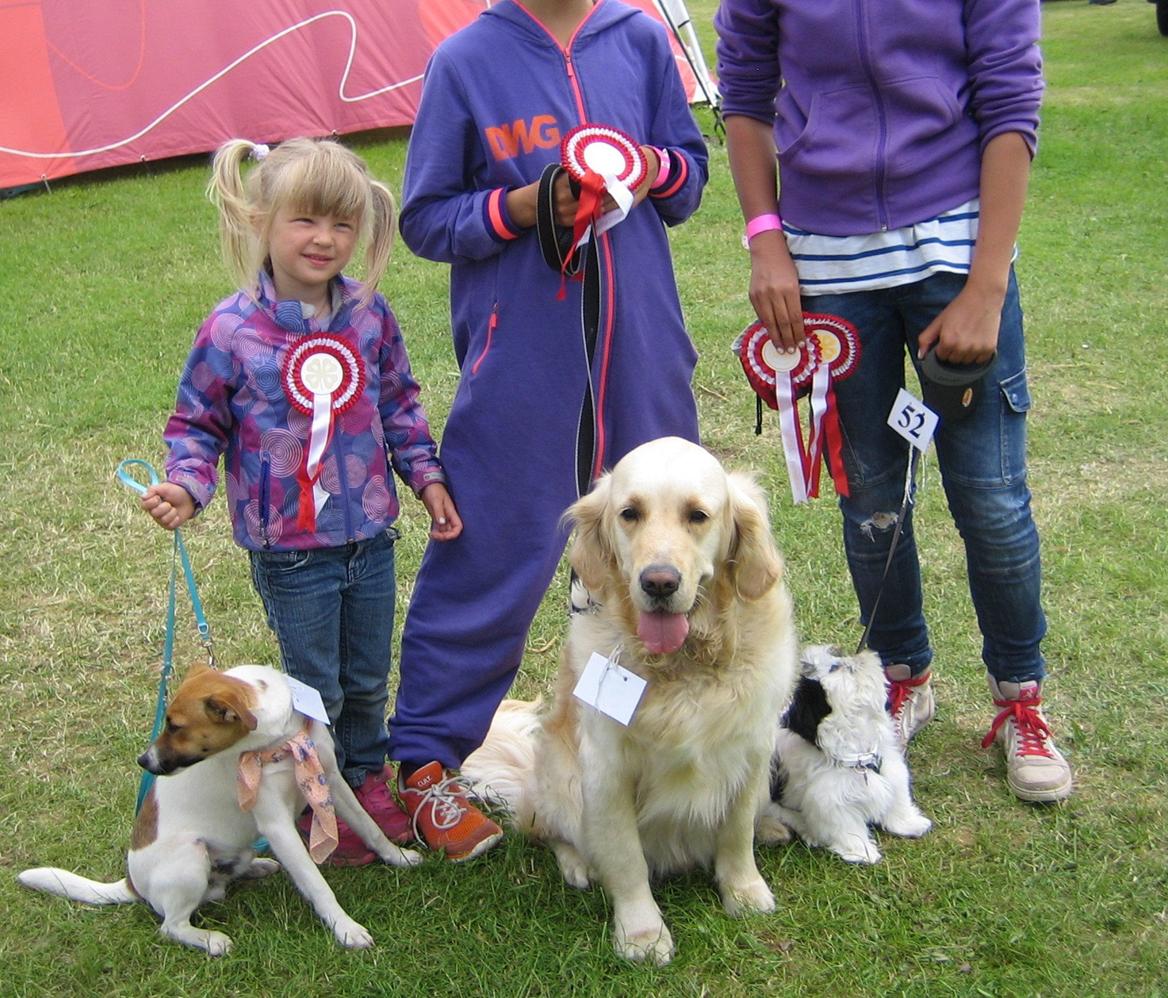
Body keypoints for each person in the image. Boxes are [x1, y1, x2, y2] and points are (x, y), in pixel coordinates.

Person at [715, 0, 1072, 802]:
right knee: (870, 495)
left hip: (957, 252)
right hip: (827, 265)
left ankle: (1022, 699)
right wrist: (766, 240)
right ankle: (904, 676)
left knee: (990, 497)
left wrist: (988, 284)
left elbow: (1011, 98)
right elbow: (743, 94)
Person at [388, 0, 710, 858]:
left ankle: (677, 754)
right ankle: (425, 763)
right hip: (521, 363)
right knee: (488, 550)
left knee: (668, 549)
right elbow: (426, 219)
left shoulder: (639, 41)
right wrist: (526, 205)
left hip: (642, 350)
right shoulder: (466, 60)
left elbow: (691, 175)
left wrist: (646, 165)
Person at [141, 137, 465, 864]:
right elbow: (197, 422)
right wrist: (186, 485)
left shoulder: (370, 318)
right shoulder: (230, 330)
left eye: (343, 225)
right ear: (260, 219)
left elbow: (401, 406)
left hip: (369, 536)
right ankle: (320, 799)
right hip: (289, 552)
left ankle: (366, 780)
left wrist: (426, 476)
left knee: (365, 674)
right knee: (314, 685)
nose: (325, 239)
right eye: (306, 221)